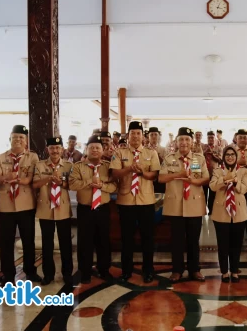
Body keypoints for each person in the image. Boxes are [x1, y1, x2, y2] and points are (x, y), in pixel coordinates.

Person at [110, 121, 160, 283]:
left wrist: (143, 172)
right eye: (133, 133)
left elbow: (154, 175)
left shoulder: (150, 153)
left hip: (146, 200)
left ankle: (148, 271)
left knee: (148, 238)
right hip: (126, 201)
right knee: (127, 239)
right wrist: (130, 169)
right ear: (128, 136)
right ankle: (126, 270)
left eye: (139, 133)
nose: (136, 136)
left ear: (142, 136)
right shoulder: (119, 153)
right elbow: (115, 173)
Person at [0, 125, 41, 285]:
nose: (18, 140)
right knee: (6, 242)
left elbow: (34, 177)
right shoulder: (0, 158)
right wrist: (6, 176)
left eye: (21, 137)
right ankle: (8, 274)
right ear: (10, 139)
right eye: (15, 137)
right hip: (6, 205)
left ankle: (30, 271)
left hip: (26, 204)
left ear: (26, 141)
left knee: (28, 241)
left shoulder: (32, 157)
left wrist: (21, 179)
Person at [158, 127, 209, 283]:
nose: (184, 142)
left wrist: (194, 181)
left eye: (187, 139)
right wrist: (177, 175)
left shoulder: (198, 159)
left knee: (193, 240)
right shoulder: (169, 158)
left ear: (192, 142)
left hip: (194, 203)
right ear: (176, 142)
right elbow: (161, 178)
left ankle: (194, 270)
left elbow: (206, 178)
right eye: (181, 139)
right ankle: (177, 270)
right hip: (175, 204)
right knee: (177, 240)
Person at [69, 135, 117, 284]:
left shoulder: (109, 166)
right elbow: (72, 184)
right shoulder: (78, 166)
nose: (95, 150)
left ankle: (104, 270)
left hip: (103, 208)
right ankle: (85, 272)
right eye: (92, 148)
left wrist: (102, 185)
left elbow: (114, 186)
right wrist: (90, 181)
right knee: (85, 241)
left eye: (98, 147)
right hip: (85, 209)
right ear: (86, 150)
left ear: (102, 150)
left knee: (103, 241)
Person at [32, 137, 73, 286]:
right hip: (46, 209)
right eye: (52, 148)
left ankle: (67, 273)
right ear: (47, 150)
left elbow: (72, 185)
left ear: (62, 149)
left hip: (63, 208)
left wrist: (61, 182)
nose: (55, 151)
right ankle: (48, 274)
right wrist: (49, 178)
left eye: (58, 148)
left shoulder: (68, 165)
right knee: (47, 244)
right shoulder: (40, 165)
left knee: (65, 243)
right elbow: (35, 184)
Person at [210, 147, 247, 283]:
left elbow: (245, 189)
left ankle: (234, 270)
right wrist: (224, 180)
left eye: (232, 155)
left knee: (236, 244)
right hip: (221, 213)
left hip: (239, 213)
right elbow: (213, 187)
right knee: (223, 244)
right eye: (227, 155)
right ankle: (224, 272)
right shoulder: (217, 171)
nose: (230, 157)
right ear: (223, 156)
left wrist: (236, 181)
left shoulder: (243, 171)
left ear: (236, 156)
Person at [233, 129, 247, 241]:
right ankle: (239, 238)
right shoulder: (231, 151)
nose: (242, 139)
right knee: (238, 213)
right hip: (237, 188)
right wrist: (237, 164)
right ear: (236, 139)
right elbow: (226, 167)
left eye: (244, 137)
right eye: (240, 137)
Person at [204, 131, 223, 214]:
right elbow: (197, 159)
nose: (210, 139)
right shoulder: (203, 146)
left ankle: (211, 211)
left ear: (214, 138)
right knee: (203, 193)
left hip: (214, 173)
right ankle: (202, 210)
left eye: (212, 137)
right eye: (209, 137)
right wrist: (205, 152)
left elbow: (221, 160)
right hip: (204, 173)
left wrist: (212, 154)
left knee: (213, 193)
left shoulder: (219, 148)